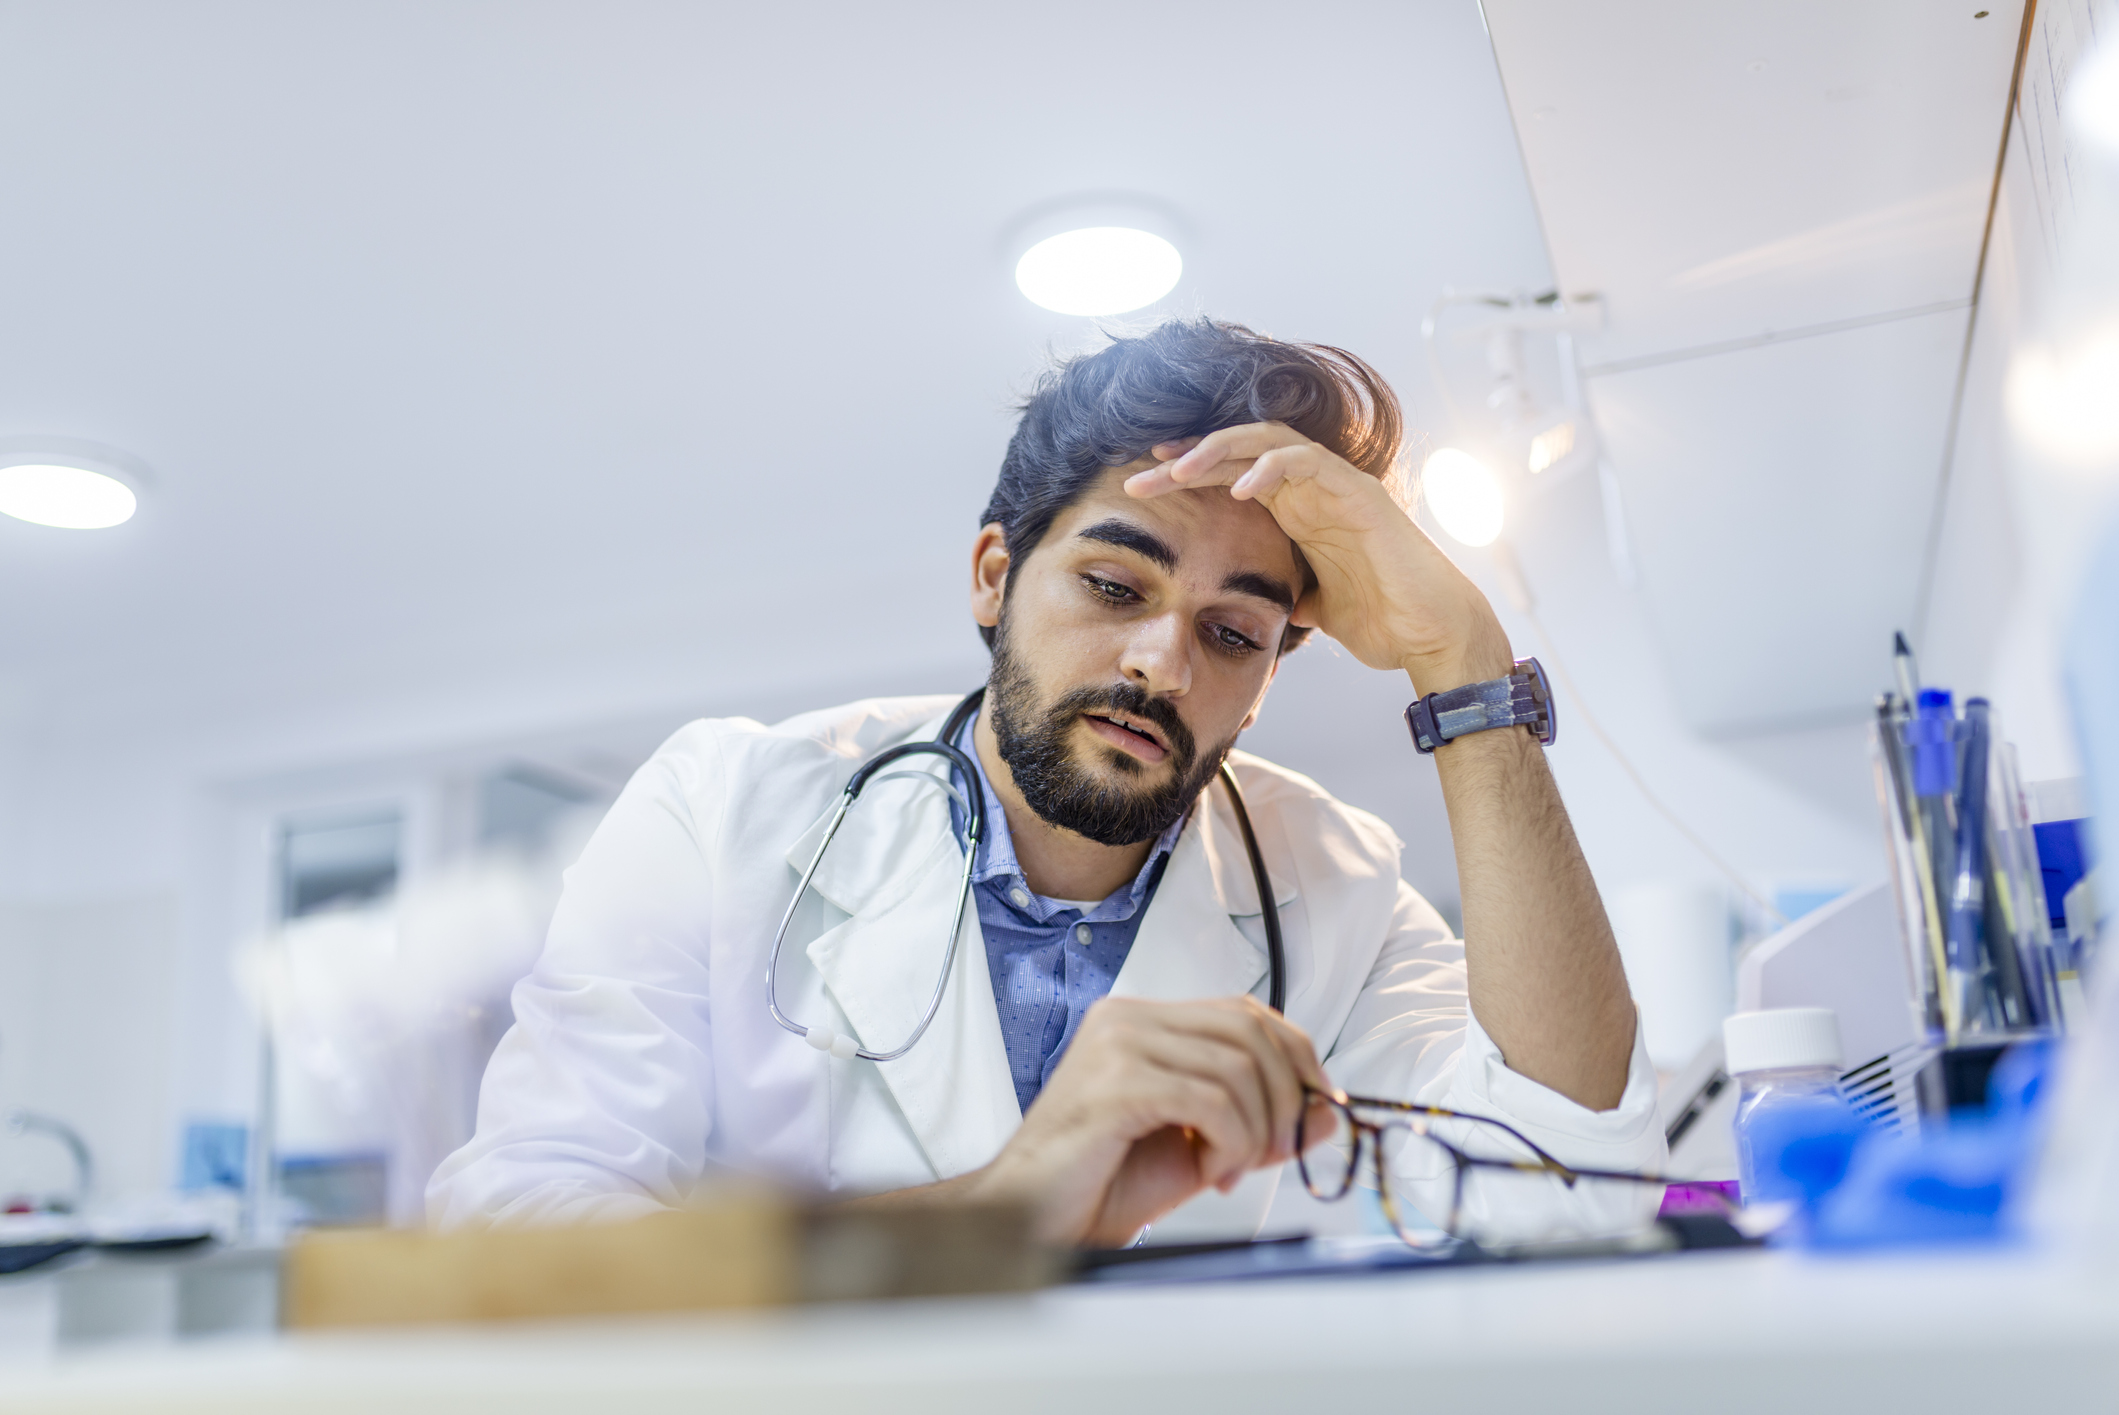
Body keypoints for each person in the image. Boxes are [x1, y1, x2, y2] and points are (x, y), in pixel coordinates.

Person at [427, 318, 1663, 1246]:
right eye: (1115, 588)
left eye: (1234, 633)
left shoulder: (1338, 888)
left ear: (1272, 673)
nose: (1160, 660)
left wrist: (1466, 665)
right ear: (992, 577)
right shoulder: (722, 807)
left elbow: (1565, 1179)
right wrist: (1014, 1203)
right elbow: (518, 1229)